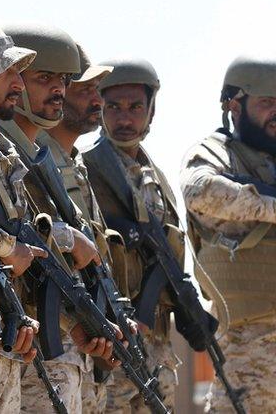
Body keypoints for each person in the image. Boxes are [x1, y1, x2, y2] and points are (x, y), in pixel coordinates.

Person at [0, 24, 110, 413]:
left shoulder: (31, 153)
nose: (58, 89)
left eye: (63, 80)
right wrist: (62, 236)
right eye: (44, 78)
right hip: (9, 336)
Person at [82, 58, 184, 412]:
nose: (125, 119)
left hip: (156, 337)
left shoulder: (154, 176)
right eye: (114, 107)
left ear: (151, 112)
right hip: (116, 332)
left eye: (135, 107)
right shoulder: (87, 169)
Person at [181, 55, 276, 413]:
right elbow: (201, 191)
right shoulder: (217, 155)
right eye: (267, 103)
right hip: (250, 349)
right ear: (234, 106)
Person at [38, 43, 116, 413]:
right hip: (51, 340)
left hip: (83, 341)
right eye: (83, 88)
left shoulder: (73, 164)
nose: (96, 99)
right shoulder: (35, 158)